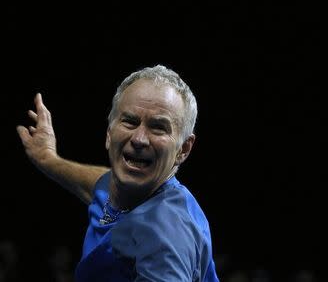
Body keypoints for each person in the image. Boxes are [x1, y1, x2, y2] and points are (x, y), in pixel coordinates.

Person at [16, 65, 220, 281]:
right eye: (130, 121)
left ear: (184, 149)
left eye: (158, 127)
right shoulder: (127, 188)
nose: (139, 138)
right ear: (109, 133)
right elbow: (100, 183)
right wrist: (48, 158)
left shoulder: (164, 237)